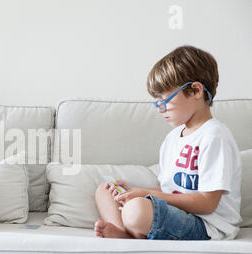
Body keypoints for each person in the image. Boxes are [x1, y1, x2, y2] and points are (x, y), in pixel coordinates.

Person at [94, 45, 242, 241]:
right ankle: (124, 232)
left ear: (195, 90)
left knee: (136, 210)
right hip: (176, 212)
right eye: (157, 102)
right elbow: (169, 190)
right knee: (105, 189)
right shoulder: (172, 139)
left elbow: (207, 203)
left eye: (165, 99)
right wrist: (132, 191)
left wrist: (143, 195)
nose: (159, 108)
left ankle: (131, 232)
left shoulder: (215, 135)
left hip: (206, 224)